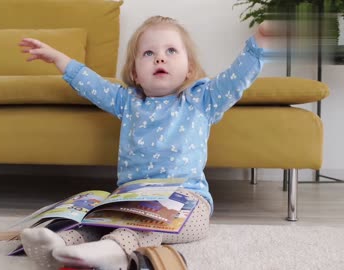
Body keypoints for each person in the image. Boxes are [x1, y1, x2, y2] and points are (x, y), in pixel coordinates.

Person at [18, 15, 266, 270]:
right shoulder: (128, 102)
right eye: (149, 53)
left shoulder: (201, 100)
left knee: (146, 226)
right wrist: (60, 59)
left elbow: (236, 79)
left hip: (187, 203)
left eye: (171, 50)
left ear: (190, 68)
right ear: (135, 73)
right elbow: (92, 85)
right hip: (130, 199)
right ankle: (60, 244)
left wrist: (259, 43)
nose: (160, 58)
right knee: (95, 222)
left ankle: (115, 251)